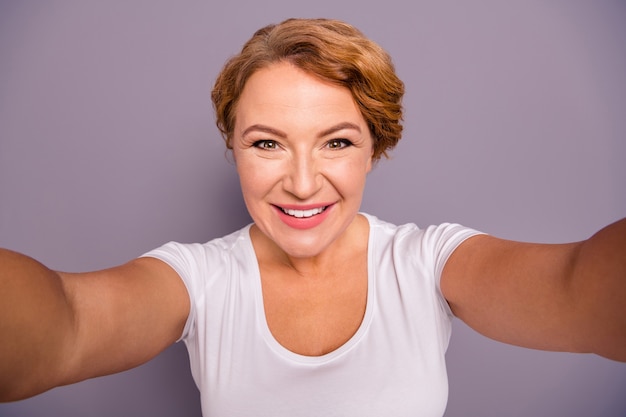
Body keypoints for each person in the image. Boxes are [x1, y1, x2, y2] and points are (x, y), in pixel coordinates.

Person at [0, 17, 624, 417]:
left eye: (338, 142)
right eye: (267, 143)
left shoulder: (427, 264)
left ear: (374, 148)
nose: (301, 182)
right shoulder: (202, 279)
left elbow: (576, 287)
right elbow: (69, 324)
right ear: (233, 148)